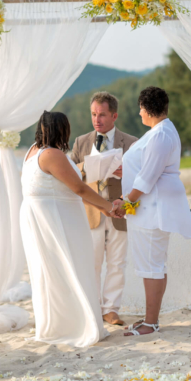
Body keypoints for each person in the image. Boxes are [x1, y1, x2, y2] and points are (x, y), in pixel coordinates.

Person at [20, 111, 118, 347]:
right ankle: (75, 325)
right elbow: (79, 189)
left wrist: (102, 209)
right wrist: (108, 206)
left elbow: (60, 188)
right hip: (57, 220)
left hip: (41, 216)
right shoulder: (52, 154)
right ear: (61, 129)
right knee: (70, 267)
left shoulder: (32, 151)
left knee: (51, 271)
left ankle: (57, 324)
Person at [117, 87, 191, 337]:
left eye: (140, 108)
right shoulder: (159, 131)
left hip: (152, 209)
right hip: (150, 206)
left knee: (151, 265)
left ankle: (151, 323)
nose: (139, 112)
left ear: (146, 107)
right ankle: (151, 318)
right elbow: (146, 167)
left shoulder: (161, 134)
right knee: (153, 265)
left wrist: (125, 203)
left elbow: (147, 178)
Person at [71, 92, 138, 326]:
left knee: (118, 262)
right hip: (91, 210)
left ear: (114, 115)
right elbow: (70, 172)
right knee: (92, 262)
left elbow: (143, 177)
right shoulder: (81, 142)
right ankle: (91, 307)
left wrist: (127, 171)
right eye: (93, 114)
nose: (96, 120)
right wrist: (86, 167)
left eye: (101, 115)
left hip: (120, 210)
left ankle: (111, 310)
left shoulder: (131, 143)